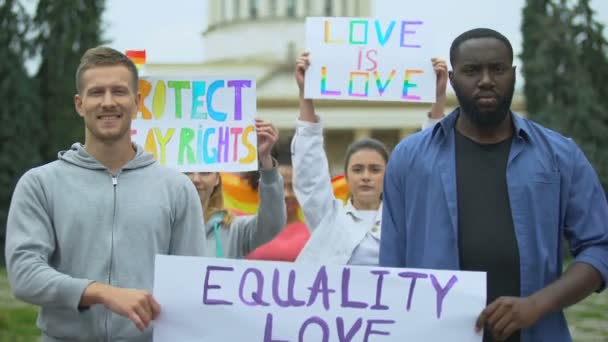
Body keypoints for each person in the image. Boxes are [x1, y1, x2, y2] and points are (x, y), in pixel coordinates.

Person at [380, 28, 608, 342]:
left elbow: (600, 247)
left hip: (537, 333)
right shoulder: (409, 158)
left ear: (513, 74)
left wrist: (537, 305)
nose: (486, 80)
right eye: (472, 70)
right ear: (452, 77)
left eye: (497, 69)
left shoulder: (560, 155)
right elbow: (391, 266)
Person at [4, 47, 207, 341]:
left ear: (137, 102)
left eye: (119, 91)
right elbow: (24, 275)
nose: (108, 102)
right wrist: (100, 293)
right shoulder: (39, 184)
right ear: (79, 103)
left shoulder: (176, 188)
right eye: (97, 92)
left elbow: (192, 285)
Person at [292, 52, 448, 265]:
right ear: (346, 177)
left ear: (389, 176)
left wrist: (438, 98)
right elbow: (309, 170)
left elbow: (428, 165)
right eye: (357, 169)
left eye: (375, 169)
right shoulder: (328, 217)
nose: (366, 176)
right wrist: (305, 93)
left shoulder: (406, 218)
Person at [187, 118, 287, 258]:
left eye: (205, 172)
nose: (196, 179)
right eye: (188, 172)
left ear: (217, 179)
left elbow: (272, 224)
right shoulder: (162, 225)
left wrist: (265, 158)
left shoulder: (235, 228)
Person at [246, 136, 311, 261]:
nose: (287, 194)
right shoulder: (245, 230)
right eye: (279, 187)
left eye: (293, 187)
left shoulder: (317, 233)